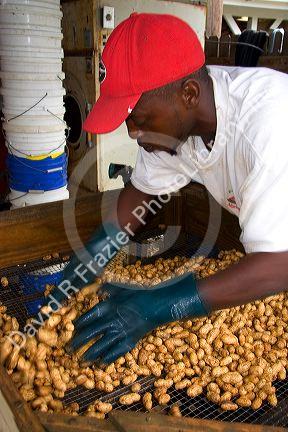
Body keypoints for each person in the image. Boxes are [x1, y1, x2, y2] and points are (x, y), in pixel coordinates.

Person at [48, 13, 288, 364]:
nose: (132, 132)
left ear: (188, 94)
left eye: (137, 118)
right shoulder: (175, 127)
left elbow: (278, 265)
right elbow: (142, 195)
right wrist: (91, 257)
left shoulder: (265, 131)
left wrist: (164, 305)